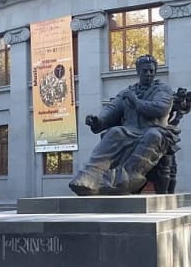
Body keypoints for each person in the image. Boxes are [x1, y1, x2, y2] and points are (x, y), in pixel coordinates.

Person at [69, 54, 176, 195]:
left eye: (151, 70)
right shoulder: (128, 92)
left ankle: (128, 179)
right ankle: (88, 177)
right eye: (145, 71)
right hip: (130, 131)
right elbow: (112, 109)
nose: (149, 74)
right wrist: (98, 120)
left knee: (152, 136)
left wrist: (136, 102)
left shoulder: (162, 89)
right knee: (115, 132)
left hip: (156, 130)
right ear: (138, 72)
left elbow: (159, 109)